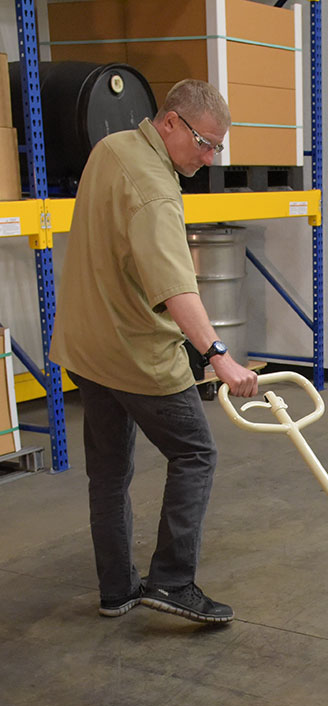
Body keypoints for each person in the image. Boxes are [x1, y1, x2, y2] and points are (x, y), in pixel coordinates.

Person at [49, 79, 259, 625]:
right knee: (196, 454)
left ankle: (117, 590)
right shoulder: (156, 193)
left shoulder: (110, 147)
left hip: (87, 346)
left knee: (108, 473)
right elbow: (177, 290)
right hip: (135, 354)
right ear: (170, 122)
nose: (208, 158)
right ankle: (171, 581)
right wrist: (220, 355)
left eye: (216, 148)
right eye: (203, 143)